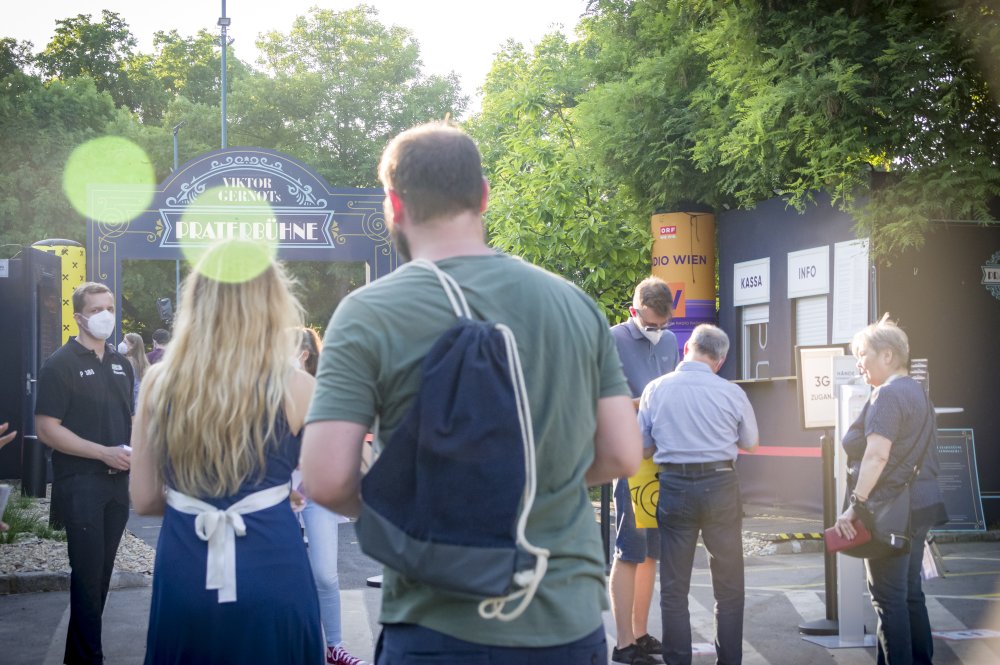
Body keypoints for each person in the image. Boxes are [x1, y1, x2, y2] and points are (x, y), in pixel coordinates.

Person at [301, 121, 642, 663]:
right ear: (482, 196)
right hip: (565, 618)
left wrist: (425, 500)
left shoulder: (368, 313)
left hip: (435, 621)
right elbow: (622, 454)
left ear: (394, 204)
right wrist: (524, 478)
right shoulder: (574, 305)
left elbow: (325, 478)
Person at [129, 257, 323, 664]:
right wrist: (272, 496)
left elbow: (144, 499)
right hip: (275, 566)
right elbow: (327, 481)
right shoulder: (298, 386)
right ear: (272, 303)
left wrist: (200, 502)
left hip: (186, 567)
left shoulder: (158, 383)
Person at [638, 324, 759, 665]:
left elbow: (642, 448)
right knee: (729, 585)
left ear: (686, 347)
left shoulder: (655, 389)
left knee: (674, 587)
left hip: (674, 485)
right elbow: (750, 442)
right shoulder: (732, 393)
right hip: (721, 485)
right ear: (719, 361)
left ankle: (677, 661)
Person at [833, 315, 947, 665]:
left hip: (891, 508)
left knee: (888, 598)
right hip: (920, 504)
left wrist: (856, 505)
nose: (858, 363)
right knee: (910, 594)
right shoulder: (918, 392)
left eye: (862, 354)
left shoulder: (888, 395)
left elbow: (877, 454)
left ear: (887, 355)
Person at [35, 282, 135, 665]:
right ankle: (89, 657)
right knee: (87, 577)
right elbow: (48, 430)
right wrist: (103, 453)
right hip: (80, 484)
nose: (105, 315)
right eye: (96, 310)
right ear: (78, 317)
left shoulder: (122, 363)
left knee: (101, 576)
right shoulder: (59, 365)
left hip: (117, 484)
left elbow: (129, 420)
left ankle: (79, 657)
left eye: (109, 307)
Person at [608, 277, 678, 665]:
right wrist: (648, 400)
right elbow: (602, 399)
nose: (657, 331)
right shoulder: (612, 340)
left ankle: (640, 633)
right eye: (651, 324)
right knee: (629, 550)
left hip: (661, 458)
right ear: (634, 311)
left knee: (652, 552)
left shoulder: (669, 341)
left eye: (664, 324)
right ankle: (623, 645)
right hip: (629, 457)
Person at [296, 327, 367, 665]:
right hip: (274, 495)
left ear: (305, 354)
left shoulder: (327, 390)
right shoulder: (269, 388)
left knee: (325, 573)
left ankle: (334, 646)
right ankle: (301, 647)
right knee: (288, 576)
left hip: (316, 493)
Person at [118, 332, 150, 405]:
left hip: (130, 403)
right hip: (141, 403)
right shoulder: (145, 364)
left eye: (125, 342)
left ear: (133, 346)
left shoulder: (126, 362)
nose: (122, 344)